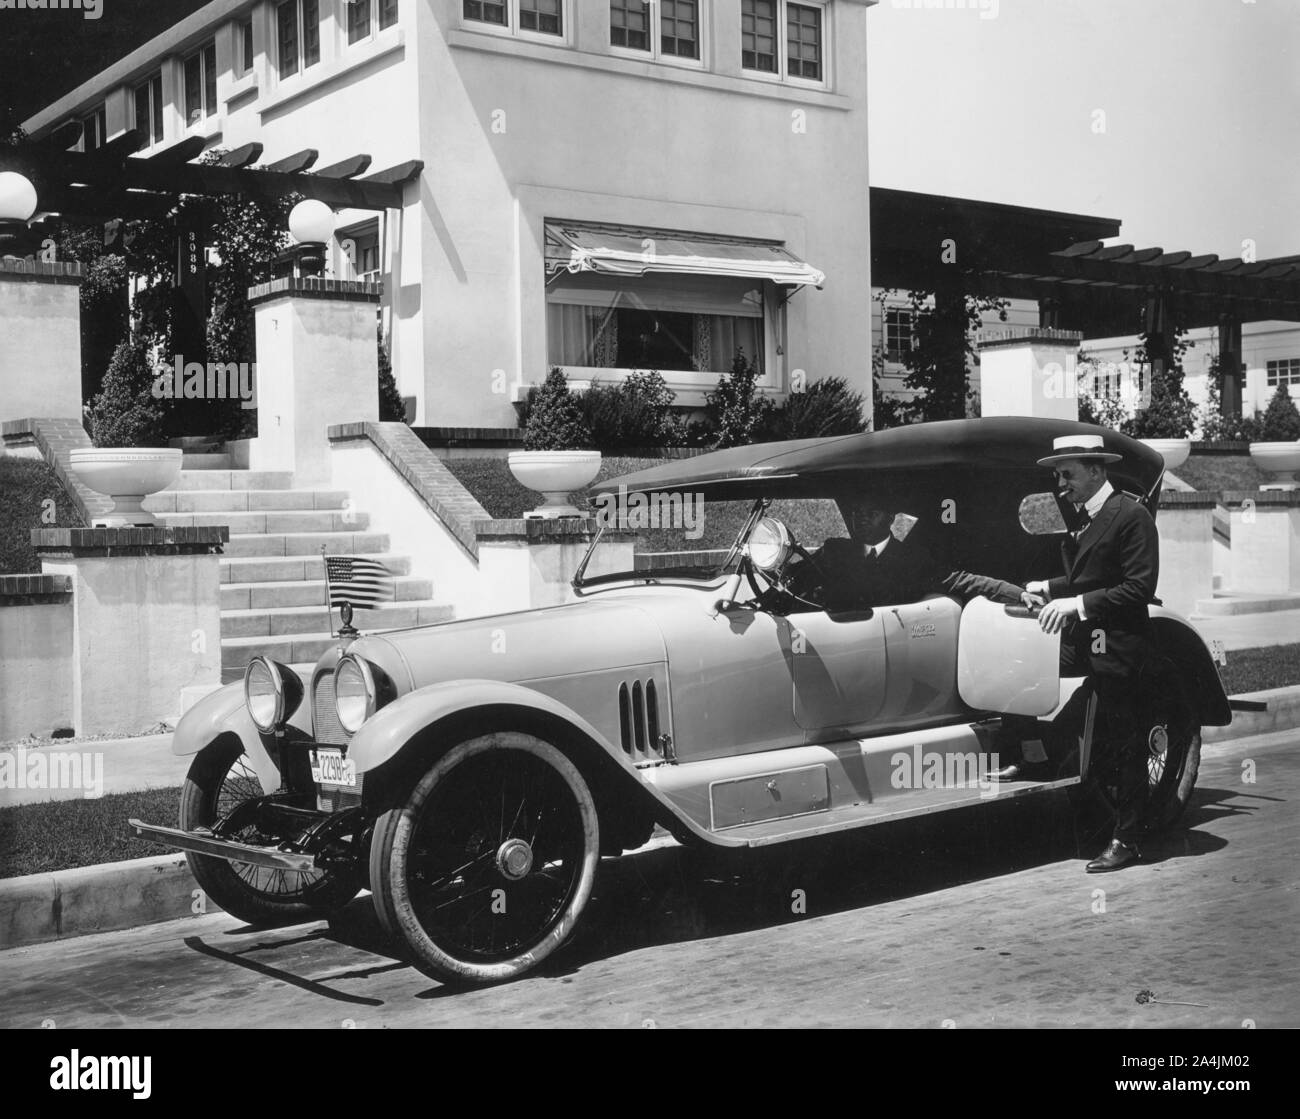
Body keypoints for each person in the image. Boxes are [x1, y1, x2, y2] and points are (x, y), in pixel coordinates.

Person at [998, 433, 1161, 873]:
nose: (1061, 484)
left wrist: (1076, 605)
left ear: (1095, 470)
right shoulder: (1087, 515)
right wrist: (1049, 587)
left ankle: (1128, 840)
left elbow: (1138, 587)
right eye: (1057, 475)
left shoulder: (1132, 516)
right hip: (1089, 641)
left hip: (1121, 648)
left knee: (1125, 745)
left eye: (1067, 474)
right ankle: (1033, 756)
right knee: (1016, 667)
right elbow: (1091, 574)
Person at [810, 501, 942, 611]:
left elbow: (942, 588)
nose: (862, 520)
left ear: (890, 518)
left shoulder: (913, 558)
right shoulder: (835, 550)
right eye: (857, 513)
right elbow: (800, 576)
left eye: (872, 514)